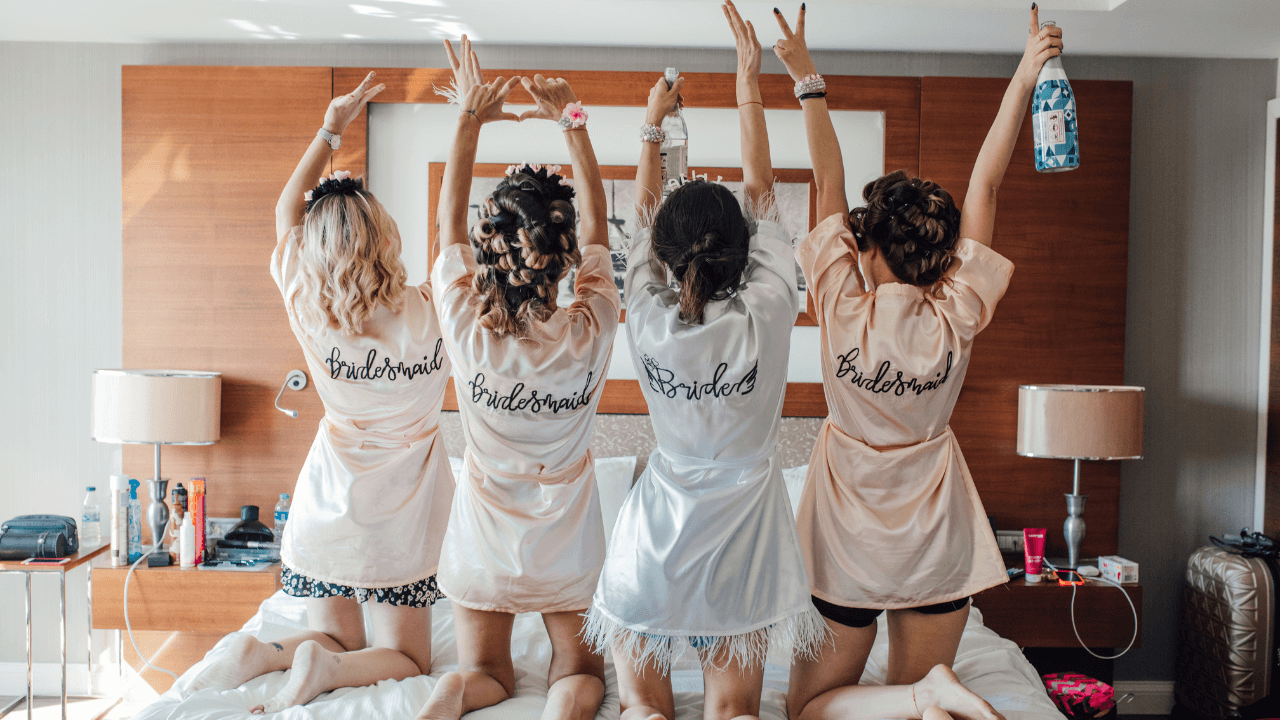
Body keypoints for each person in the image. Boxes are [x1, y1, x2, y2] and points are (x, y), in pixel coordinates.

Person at [772, 5, 1063, 720]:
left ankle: (924, 695)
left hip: (847, 541)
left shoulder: (842, 304)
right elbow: (986, 185)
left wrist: (808, 79)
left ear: (866, 249)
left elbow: (826, 174)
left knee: (808, 711)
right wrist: (1024, 74)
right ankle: (932, 693)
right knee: (915, 708)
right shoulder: (956, 314)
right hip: (938, 541)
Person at [184, 72, 456, 714]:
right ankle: (325, 670)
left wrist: (331, 127)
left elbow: (285, 212)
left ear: (315, 251)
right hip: (401, 513)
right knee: (411, 660)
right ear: (384, 235)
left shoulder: (309, 307)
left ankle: (269, 653)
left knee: (336, 631)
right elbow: (454, 242)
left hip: (329, 502)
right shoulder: (430, 312)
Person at [585, 5, 828, 720]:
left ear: (664, 255)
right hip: (743, 547)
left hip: (651, 546)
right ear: (742, 251)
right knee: (732, 715)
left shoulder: (651, 317)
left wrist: (652, 124)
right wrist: (749, 80)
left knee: (646, 714)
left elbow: (644, 212)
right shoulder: (769, 312)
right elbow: (760, 187)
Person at [414, 37, 618, 720]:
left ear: (490, 250)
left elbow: (444, 227)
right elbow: (599, 228)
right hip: (568, 543)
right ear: (561, 260)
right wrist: (572, 120)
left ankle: (445, 701)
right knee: (581, 670)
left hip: (483, 541)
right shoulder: (591, 326)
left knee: (483, 674)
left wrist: (469, 118)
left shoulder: (467, 327)